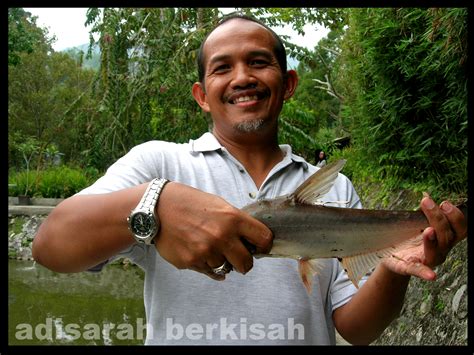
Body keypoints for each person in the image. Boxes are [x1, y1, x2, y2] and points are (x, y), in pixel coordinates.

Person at [32, 14, 467, 345]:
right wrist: (156, 202)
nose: (242, 77)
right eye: (222, 68)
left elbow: (355, 328)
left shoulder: (336, 187)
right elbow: (51, 246)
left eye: (259, 62)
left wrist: (394, 269)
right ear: (201, 95)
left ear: (288, 83)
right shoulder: (158, 164)